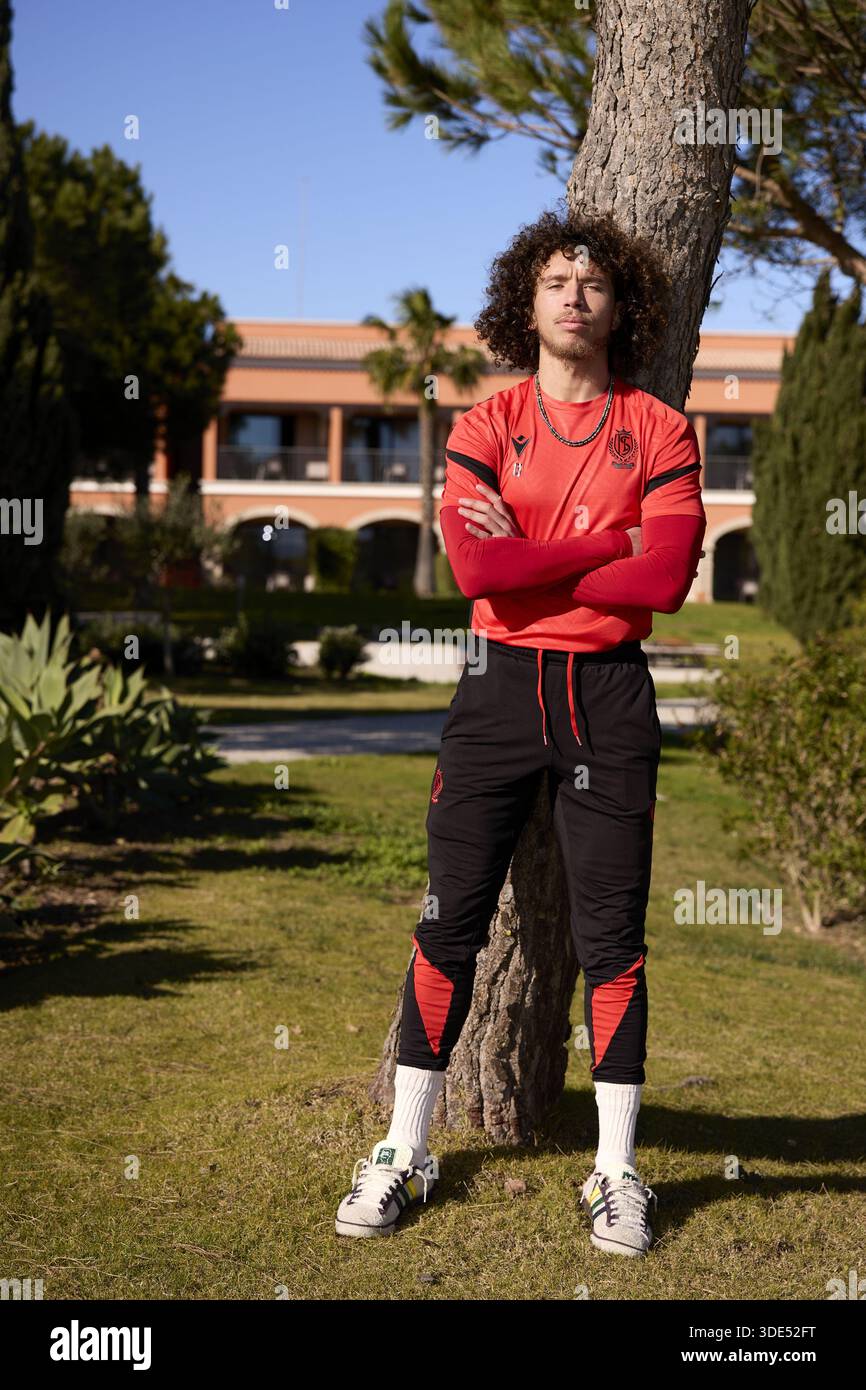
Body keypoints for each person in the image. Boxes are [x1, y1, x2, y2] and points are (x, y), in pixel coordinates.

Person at [335, 208, 706, 1256]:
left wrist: (540, 542)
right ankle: (405, 1149)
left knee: (611, 941)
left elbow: (666, 579)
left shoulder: (661, 427)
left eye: (591, 282)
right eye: (554, 280)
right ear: (526, 301)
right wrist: (603, 539)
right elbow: (476, 572)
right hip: (497, 692)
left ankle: (614, 1170)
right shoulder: (485, 425)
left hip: (608, 695)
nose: (574, 295)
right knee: (448, 920)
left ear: (617, 304)